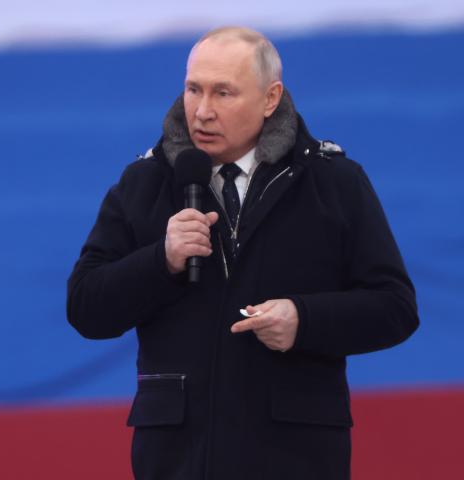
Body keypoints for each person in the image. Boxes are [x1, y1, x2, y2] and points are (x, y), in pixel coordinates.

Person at [66, 26, 418, 480]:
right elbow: (85, 307)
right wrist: (162, 261)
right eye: (193, 89)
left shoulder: (334, 183)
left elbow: (394, 307)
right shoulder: (143, 183)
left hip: (295, 458)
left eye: (223, 93)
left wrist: (304, 319)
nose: (202, 111)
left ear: (270, 99)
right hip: (178, 460)